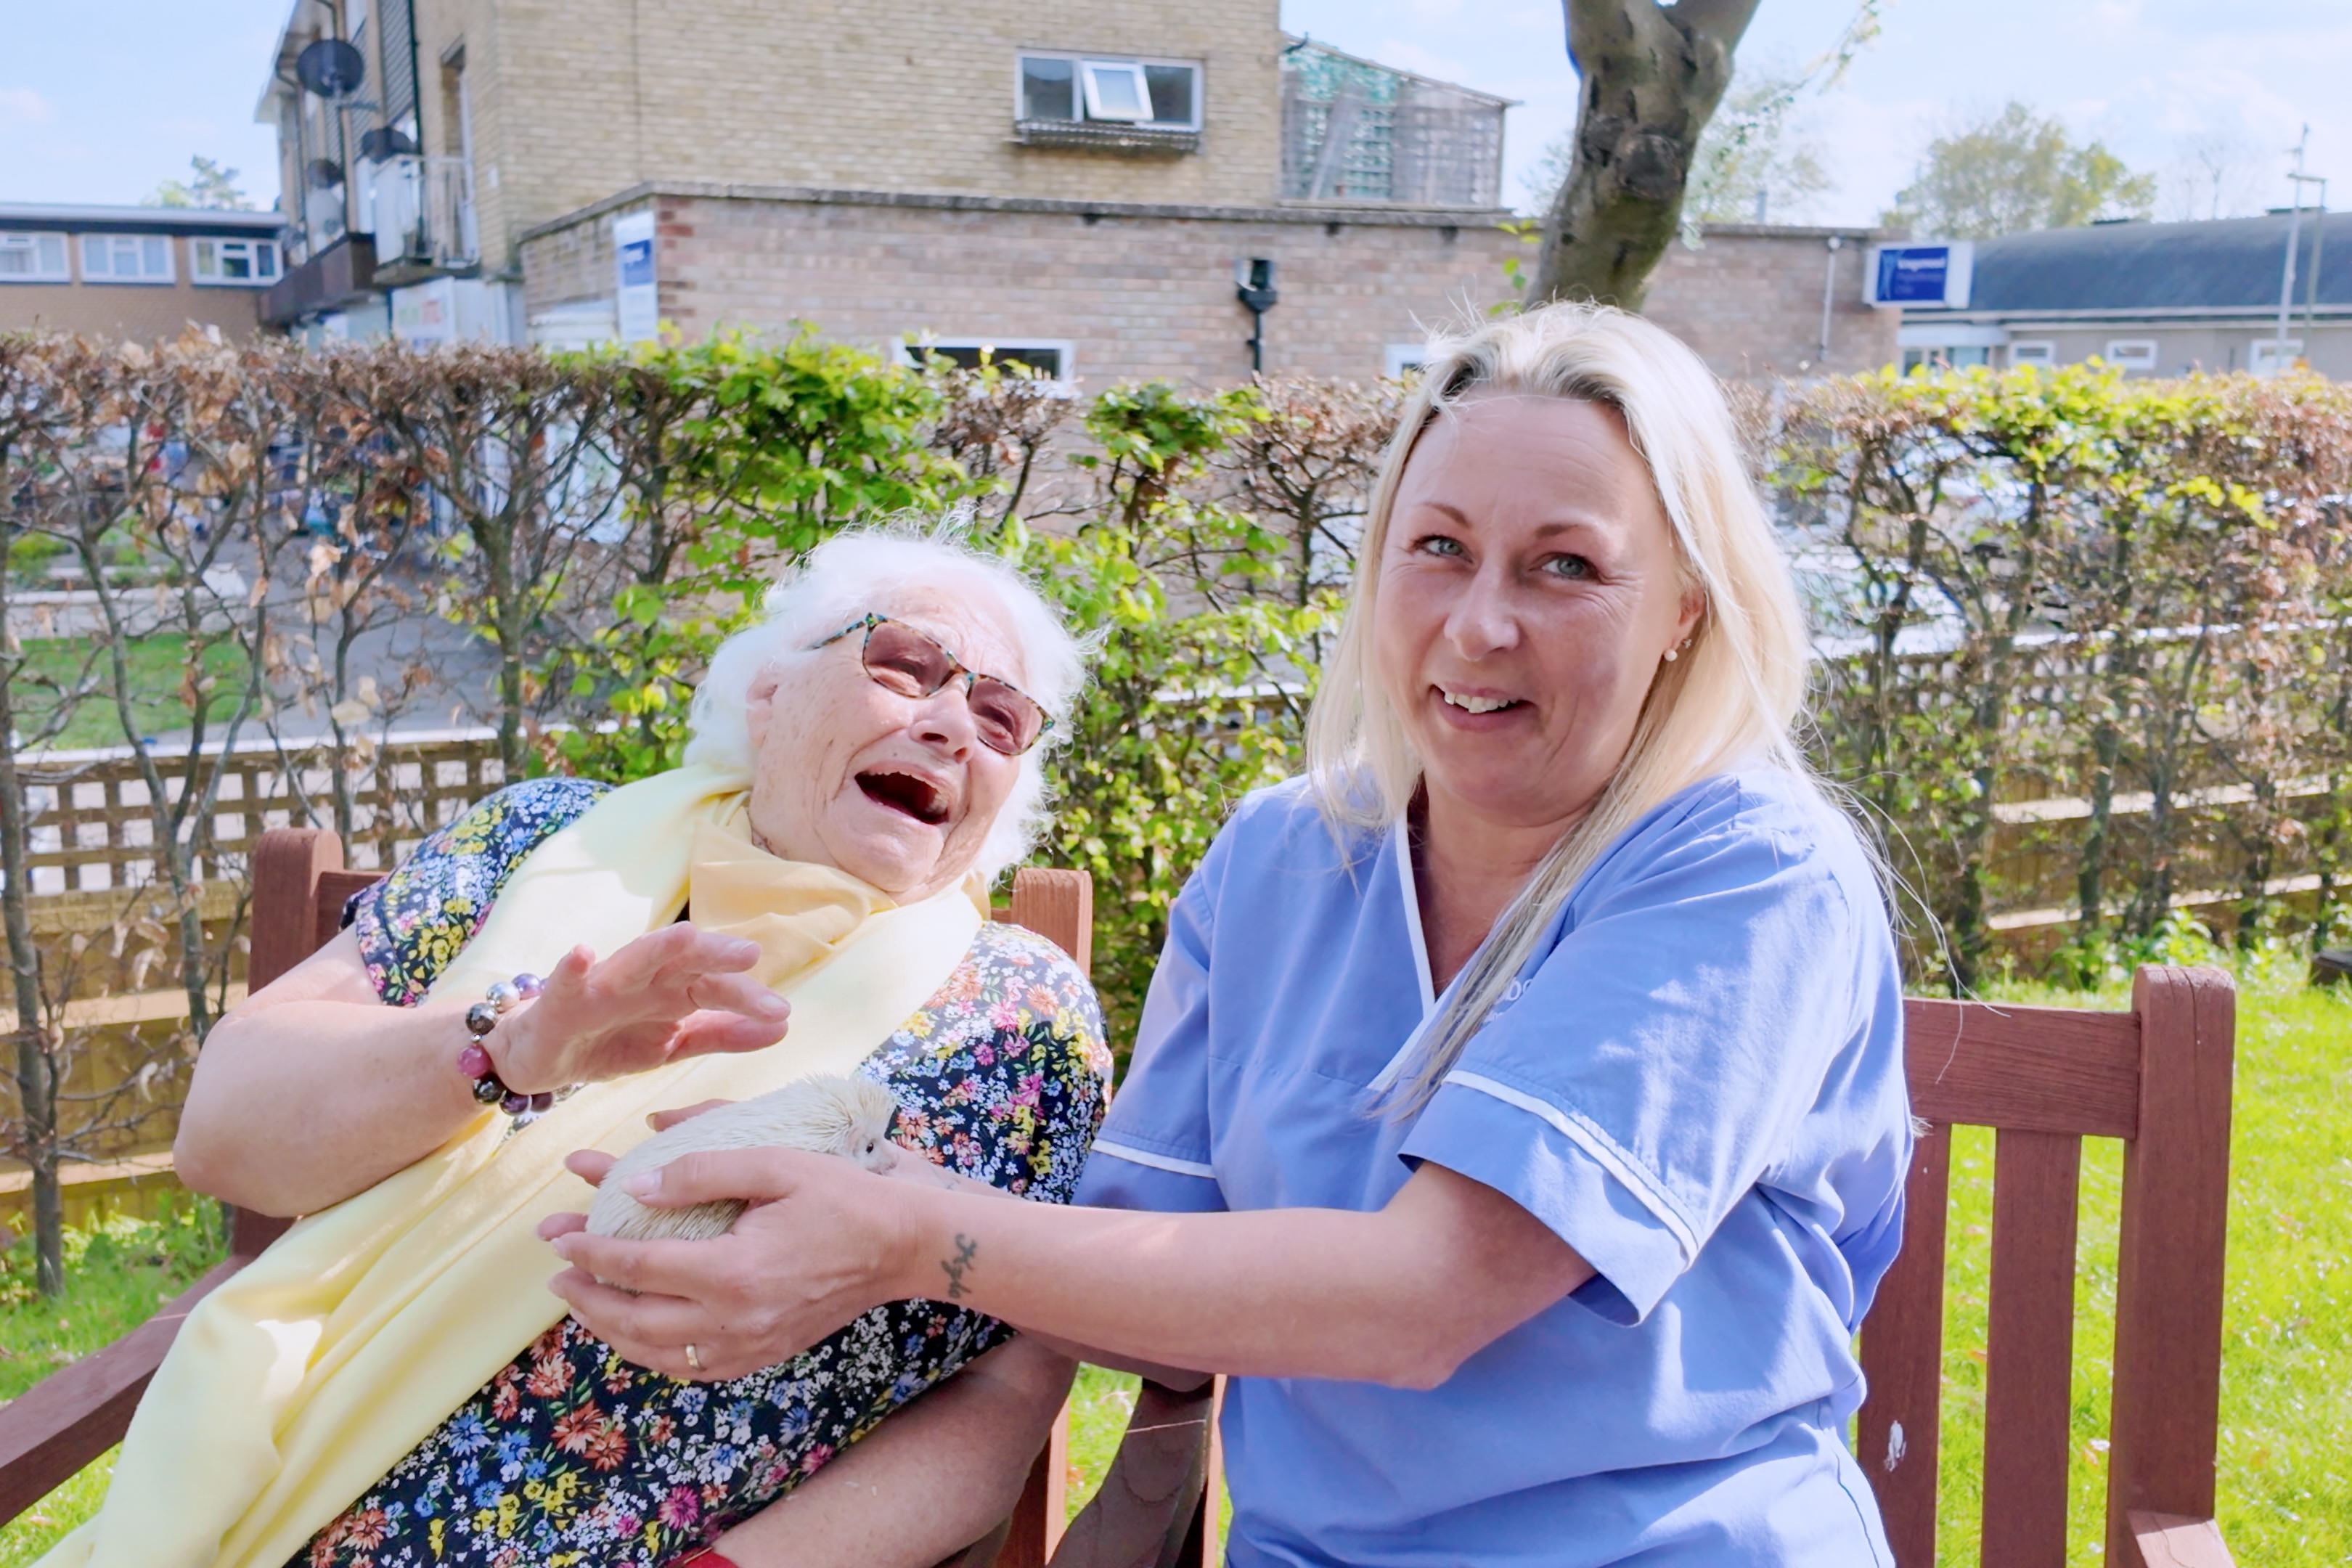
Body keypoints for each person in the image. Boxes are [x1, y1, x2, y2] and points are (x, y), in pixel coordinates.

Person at [547, 303, 1917, 1566]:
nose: (1482, 623)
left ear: (1685, 606)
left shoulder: (1746, 871)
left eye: (1568, 567)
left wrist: (905, 1239)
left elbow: (1424, 1300)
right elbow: (1127, 1276)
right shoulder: (1286, 856)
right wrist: (849, 1164)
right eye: (1436, 547)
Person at [50, 531, 1111, 1568]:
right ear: (770, 692)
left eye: (1001, 718)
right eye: (907, 666)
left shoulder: (1016, 1018)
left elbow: (1011, 1391)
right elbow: (225, 1136)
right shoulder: (539, 842)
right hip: (282, 1487)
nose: (952, 728)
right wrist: (511, 1048)